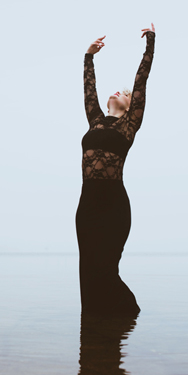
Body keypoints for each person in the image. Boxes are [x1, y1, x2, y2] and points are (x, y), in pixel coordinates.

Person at [76, 24, 155, 316]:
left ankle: (125, 319)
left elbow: (141, 80)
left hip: (113, 205)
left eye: (125, 92)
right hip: (86, 205)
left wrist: (150, 45)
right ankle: (95, 342)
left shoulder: (129, 125)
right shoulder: (95, 119)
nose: (119, 91)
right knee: (88, 272)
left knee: (105, 268)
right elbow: (88, 89)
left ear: (130, 103)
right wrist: (88, 56)